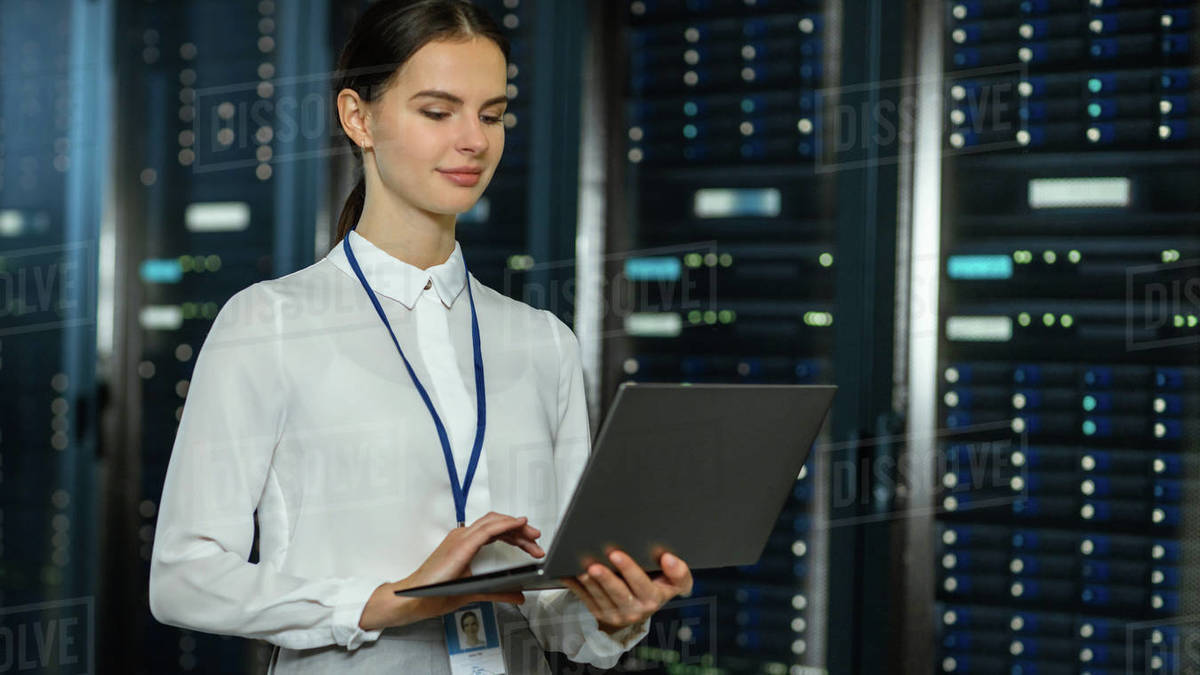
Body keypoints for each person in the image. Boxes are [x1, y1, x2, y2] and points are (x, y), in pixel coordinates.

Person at [147, 1, 693, 673]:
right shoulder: (268, 323)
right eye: (438, 112)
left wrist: (615, 612)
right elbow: (183, 575)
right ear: (359, 117)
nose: (474, 140)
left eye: (491, 114)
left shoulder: (542, 341)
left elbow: (556, 609)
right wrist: (383, 601)